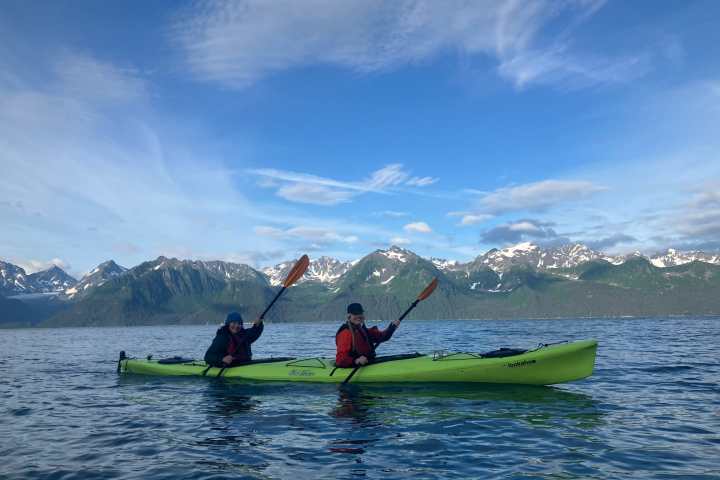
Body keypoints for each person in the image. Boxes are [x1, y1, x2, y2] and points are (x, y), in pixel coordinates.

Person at [335, 303, 400, 368]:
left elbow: (382, 337)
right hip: (352, 366)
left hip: (367, 363)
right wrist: (356, 360)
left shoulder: (362, 329)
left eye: (360, 313)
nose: (358, 316)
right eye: (355, 314)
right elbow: (340, 360)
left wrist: (392, 328)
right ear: (349, 316)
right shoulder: (345, 333)